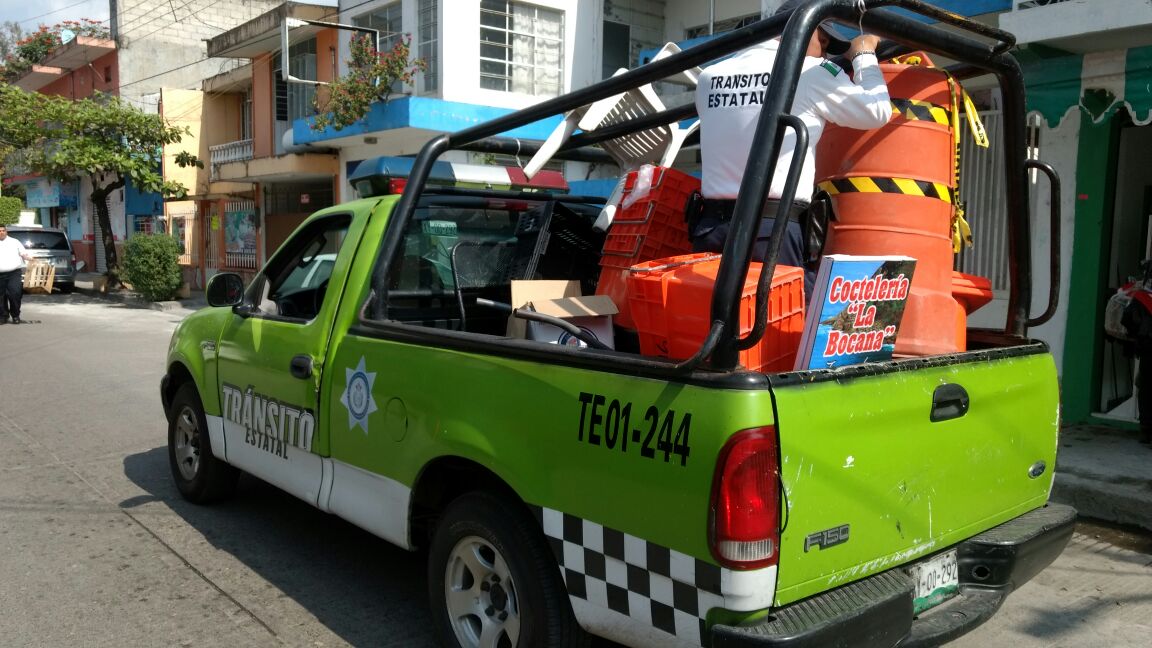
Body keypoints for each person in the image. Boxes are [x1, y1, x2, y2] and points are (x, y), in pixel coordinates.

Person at [691, 0, 892, 298]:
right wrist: (863, 54)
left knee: (712, 320)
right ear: (795, 29)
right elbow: (876, 111)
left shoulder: (708, 77)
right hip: (772, 229)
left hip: (710, 229)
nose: (824, 49)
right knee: (781, 331)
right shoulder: (810, 71)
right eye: (821, 39)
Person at [0, 224, 33, 324]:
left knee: (15, 294)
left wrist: (30, 258)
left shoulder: (14, 242)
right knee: (1, 297)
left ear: (6, 232)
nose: (1, 232)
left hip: (13, 273)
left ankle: (15, 315)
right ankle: (3, 316)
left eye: (3, 230)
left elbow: (23, 253)